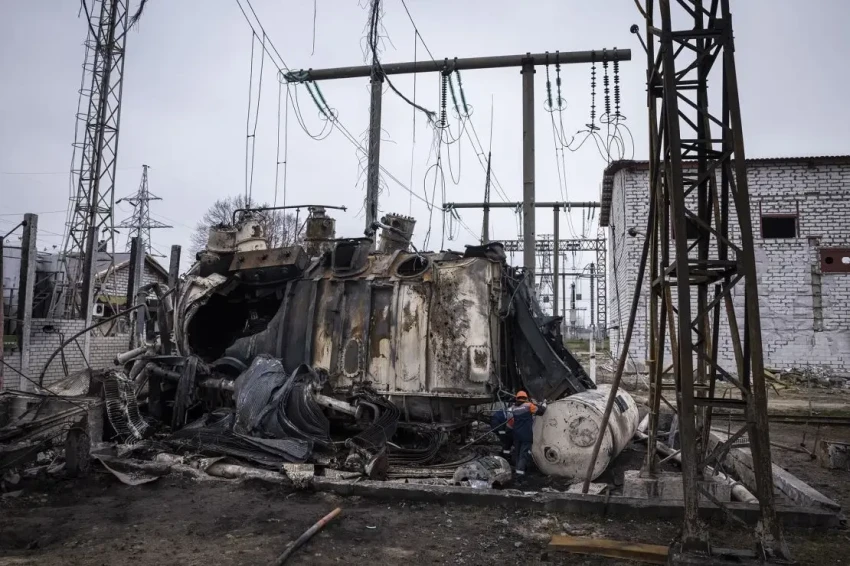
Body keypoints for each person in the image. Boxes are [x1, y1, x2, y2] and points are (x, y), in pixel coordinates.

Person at [508, 391, 547, 475]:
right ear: (526, 398)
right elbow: (541, 411)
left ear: (517, 398)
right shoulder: (529, 406)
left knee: (518, 455)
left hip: (516, 435)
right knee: (523, 455)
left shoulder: (513, 408)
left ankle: (518, 472)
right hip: (526, 435)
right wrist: (544, 404)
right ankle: (519, 476)